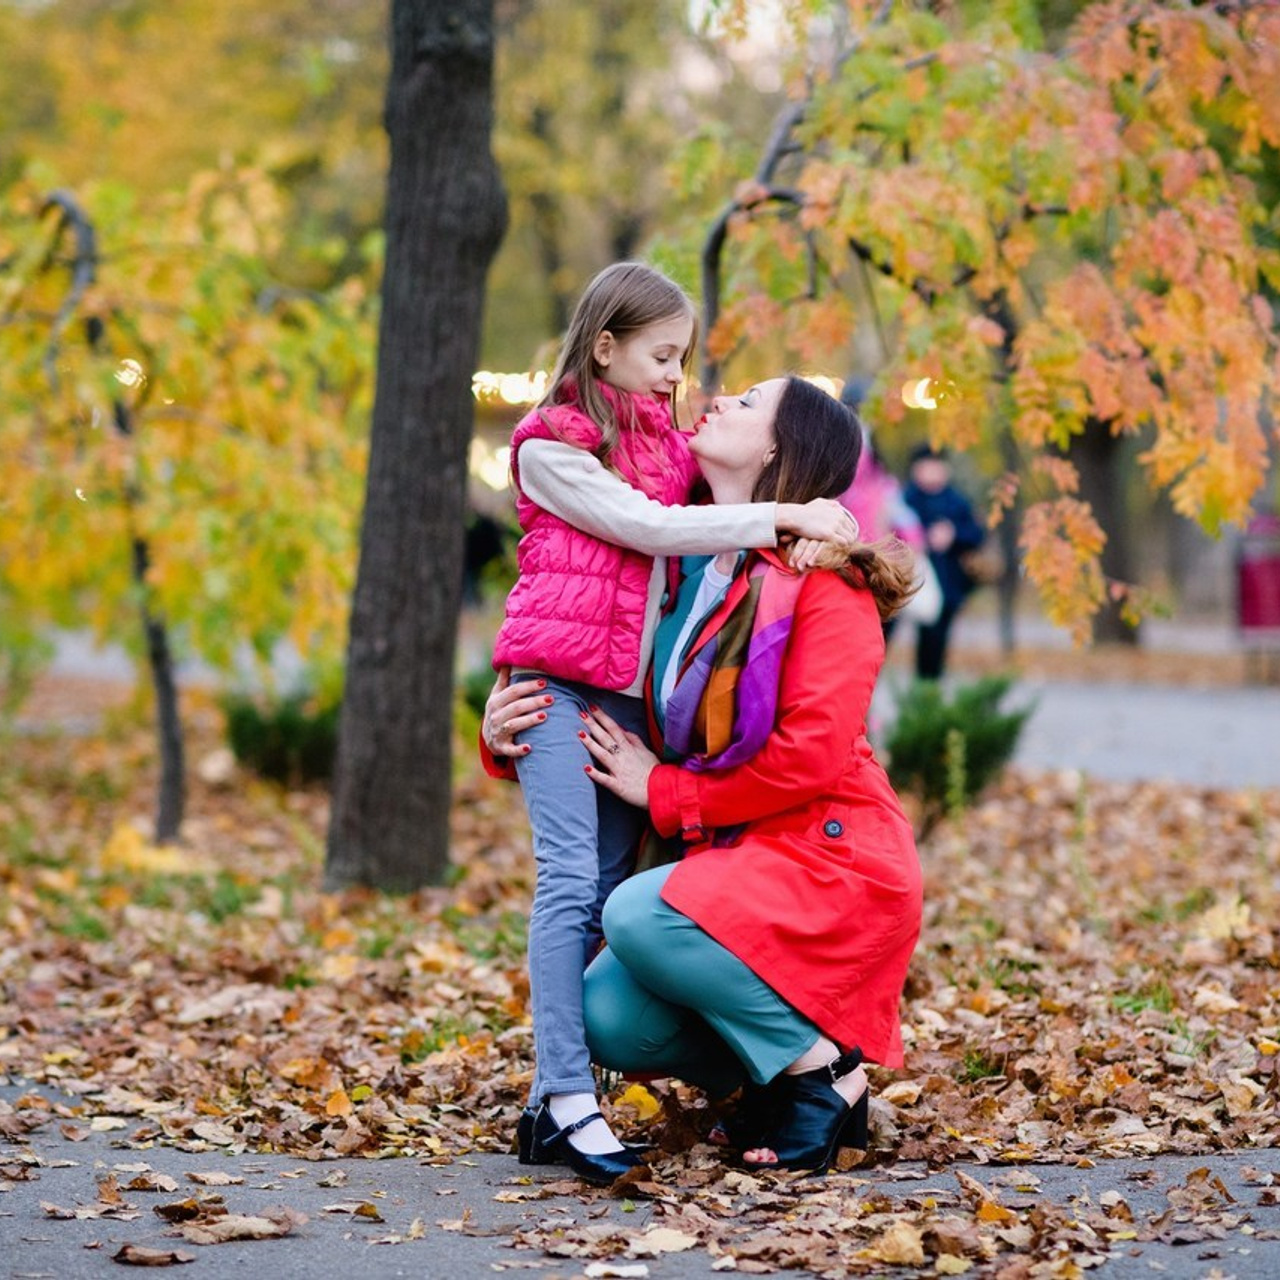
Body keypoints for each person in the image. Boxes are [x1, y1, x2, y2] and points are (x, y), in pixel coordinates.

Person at [486, 376, 922, 1176]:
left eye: (749, 402)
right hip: (730, 860)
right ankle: (767, 1083)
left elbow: (814, 753)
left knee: (638, 916)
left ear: (776, 450)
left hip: (830, 858)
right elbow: (587, 664)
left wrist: (666, 791)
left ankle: (822, 1074)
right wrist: (510, 717)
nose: (717, 399)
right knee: (605, 1015)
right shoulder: (682, 571)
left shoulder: (825, 581)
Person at [902, 444, 986, 680]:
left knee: (935, 646)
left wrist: (953, 535)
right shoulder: (904, 499)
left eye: (936, 466)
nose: (932, 471)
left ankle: (928, 697)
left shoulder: (956, 501)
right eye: (926, 466)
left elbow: (977, 535)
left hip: (946, 584)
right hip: (904, 582)